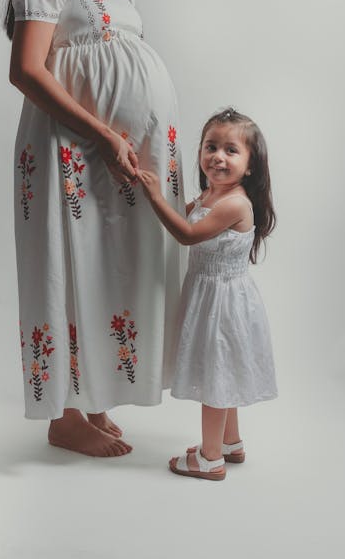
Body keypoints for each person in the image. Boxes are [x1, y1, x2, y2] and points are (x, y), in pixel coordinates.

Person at [4, 0, 184, 457]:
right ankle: (64, 416)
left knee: (114, 263)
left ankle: (96, 398)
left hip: (126, 154)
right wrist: (105, 134)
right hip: (68, 147)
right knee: (68, 261)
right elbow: (27, 70)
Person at [138, 107, 277, 480]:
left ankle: (210, 458)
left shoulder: (233, 203)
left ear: (250, 165)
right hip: (210, 296)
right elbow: (184, 215)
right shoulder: (208, 196)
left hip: (224, 304)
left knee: (215, 376)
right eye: (211, 146)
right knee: (223, 372)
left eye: (231, 150)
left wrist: (154, 196)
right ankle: (231, 442)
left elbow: (185, 233)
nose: (218, 156)